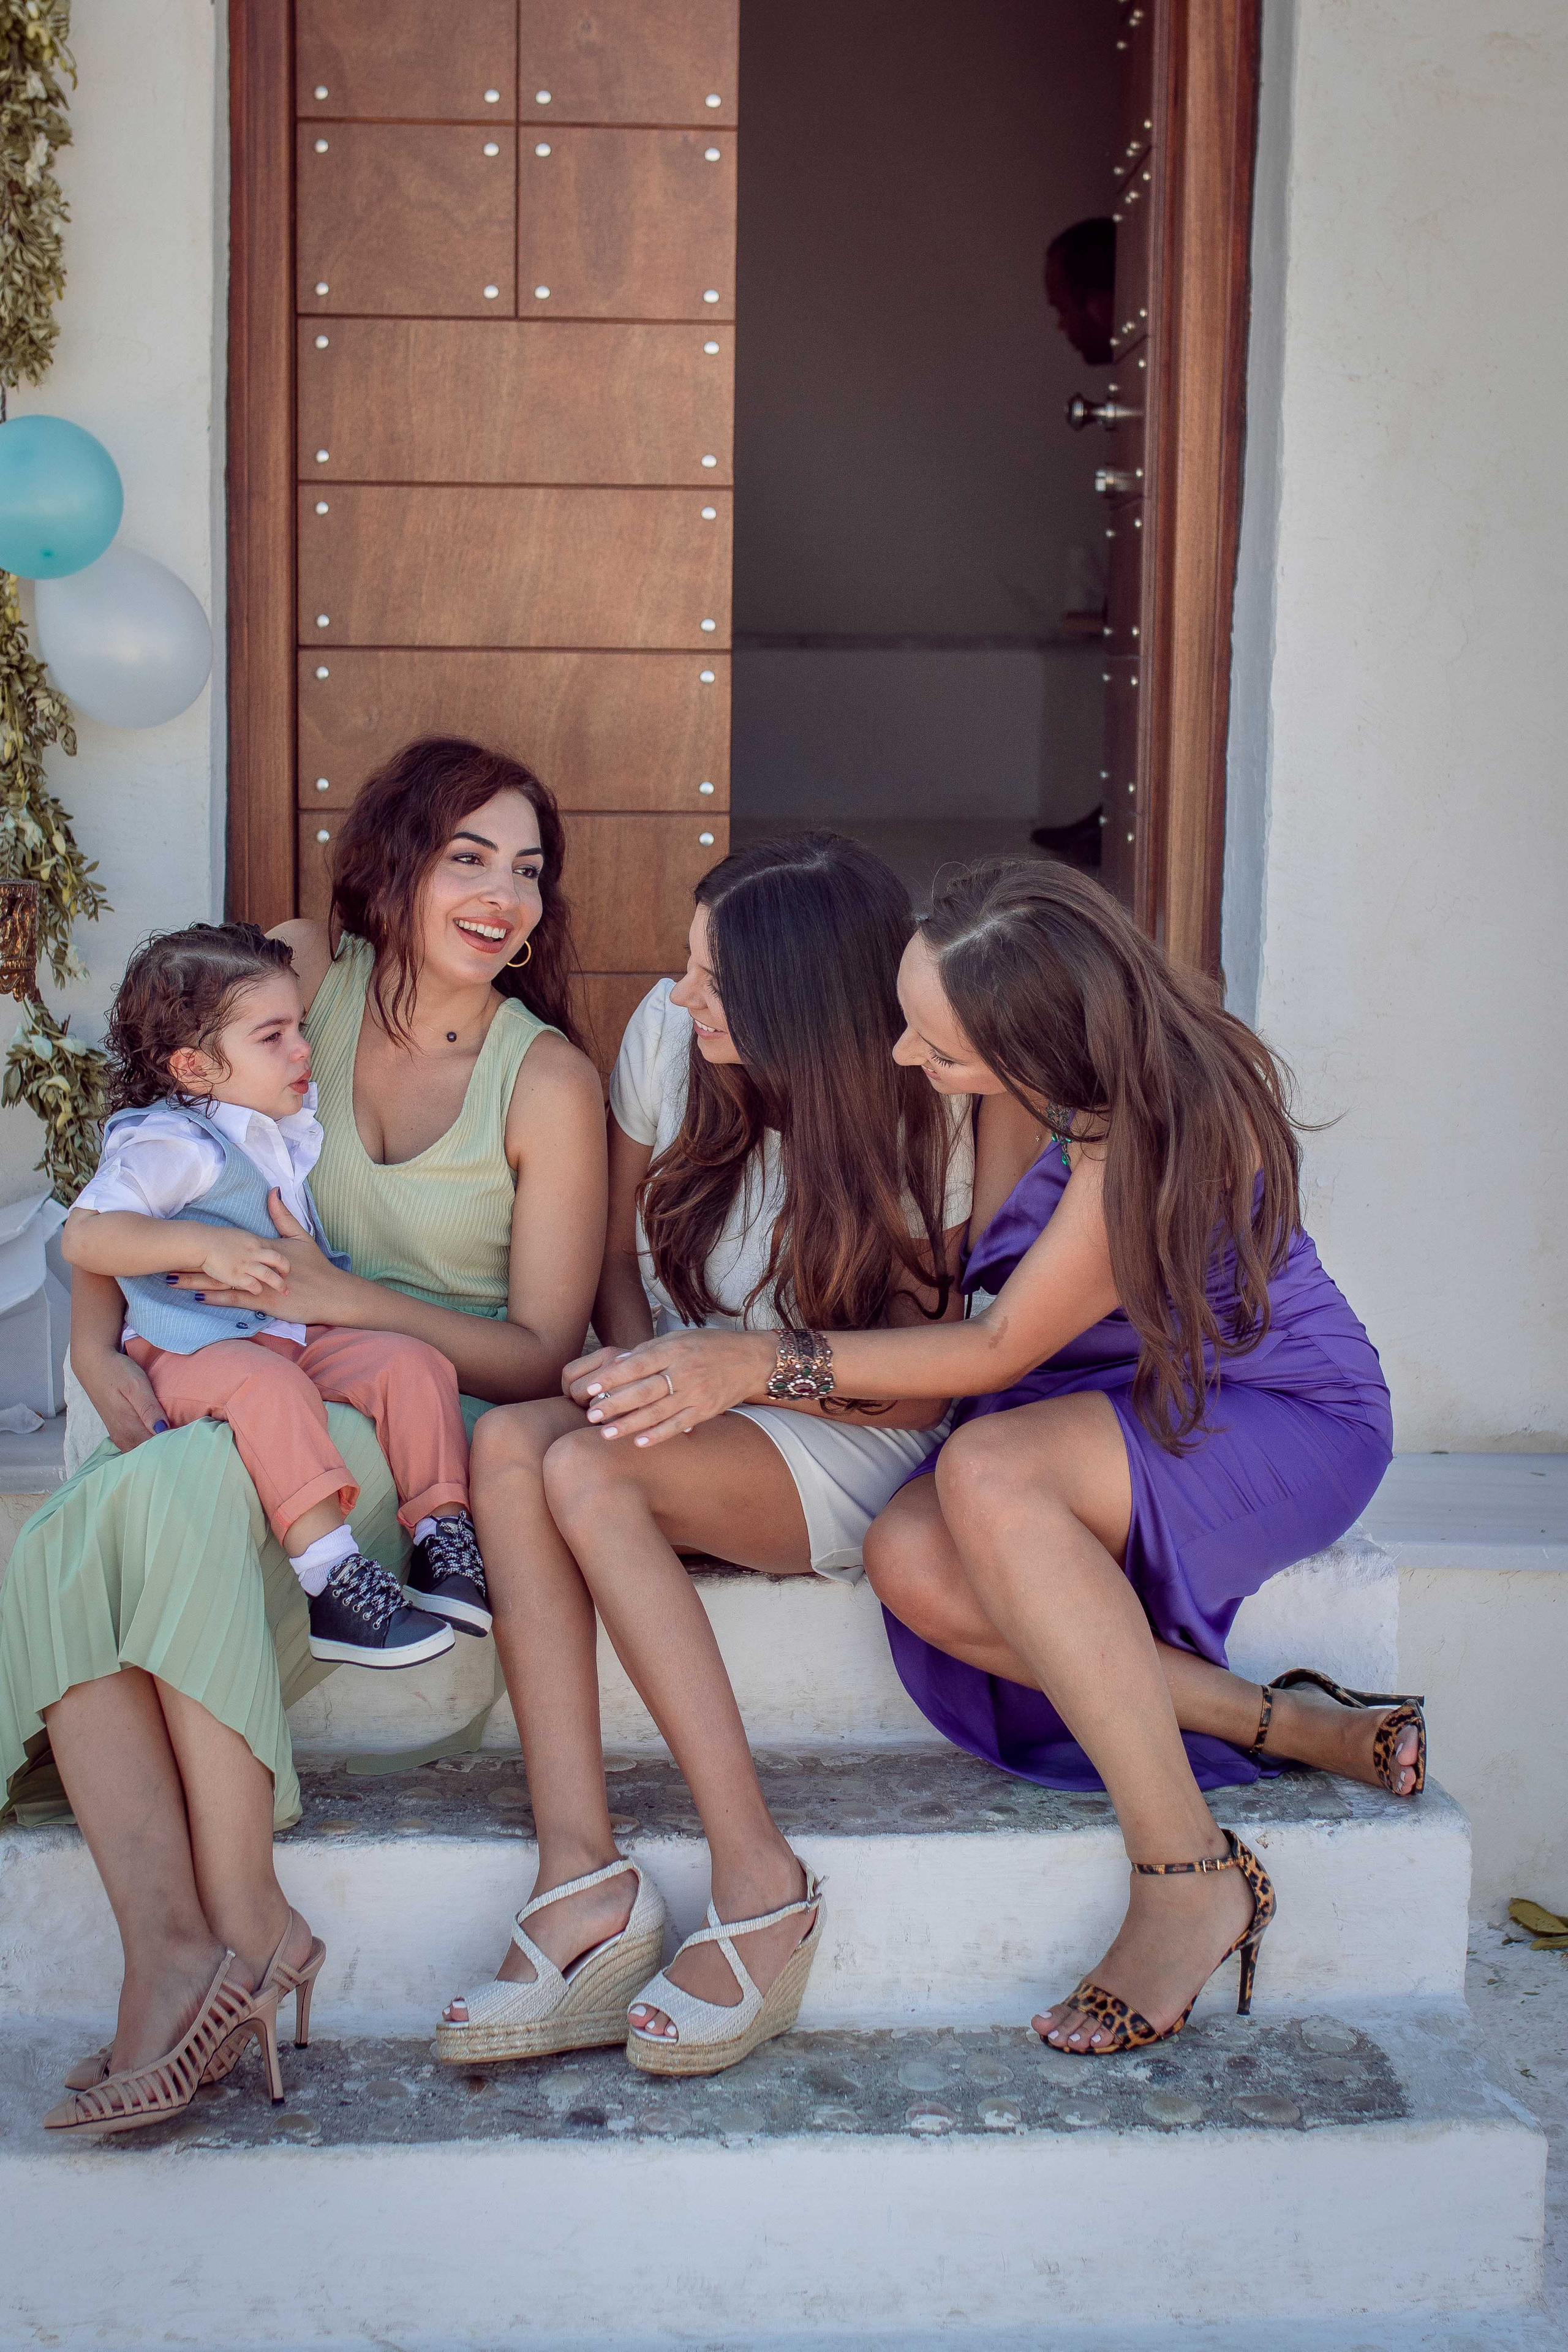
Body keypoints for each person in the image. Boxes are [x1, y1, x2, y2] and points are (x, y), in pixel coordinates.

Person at [570, 860, 1414, 2061]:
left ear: (1039, 1043)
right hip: (1091, 1400)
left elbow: (995, 1341)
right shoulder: (1042, 1084)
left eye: (941, 1050)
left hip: (1268, 1412)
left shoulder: (1155, 1120)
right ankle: (1279, 1725)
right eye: (909, 1027)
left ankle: (1185, 1876)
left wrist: (752, 1364)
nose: (910, 1063)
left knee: (982, 1481)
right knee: (913, 1563)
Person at [1, 736, 606, 2134]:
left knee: (174, 1499)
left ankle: (240, 1928)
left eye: (527, 870)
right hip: (248, 1374)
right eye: (468, 856)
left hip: (412, 1412)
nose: (502, 894)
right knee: (82, 1520)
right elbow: (143, 1152)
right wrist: (94, 1342)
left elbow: (537, 1353)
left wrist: (348, 1296)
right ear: (392, 860)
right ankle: (183, 1940)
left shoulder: (548, 1081)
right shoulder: (291, 984)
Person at [438, 834, 973, 2078]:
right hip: (692, 1398)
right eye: (687, 965)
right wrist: (635, 1378)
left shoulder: (926, 1110)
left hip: (844, 1429)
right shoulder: (668, 1045)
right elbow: (620, 1266)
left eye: (711, 980)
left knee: (582, 1469)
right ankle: (581, 1881)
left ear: (802, 1000)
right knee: (519, 1445)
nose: (680, 998)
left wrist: (736, 1378)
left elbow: (924, 1376)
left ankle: (759, 1878)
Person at [62, 920, 478, 1670]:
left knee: (413, 1364)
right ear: (194, 1067)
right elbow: (86, 1237)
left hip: (283, 1328)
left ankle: (441, 1541)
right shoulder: (172, 1143)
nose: (302, 1050)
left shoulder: (272, 1127)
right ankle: (332, 1582)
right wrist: (202, 1244)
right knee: (270, 1388)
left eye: (301, 1029)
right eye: (273, 1036)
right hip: (190, 1346)